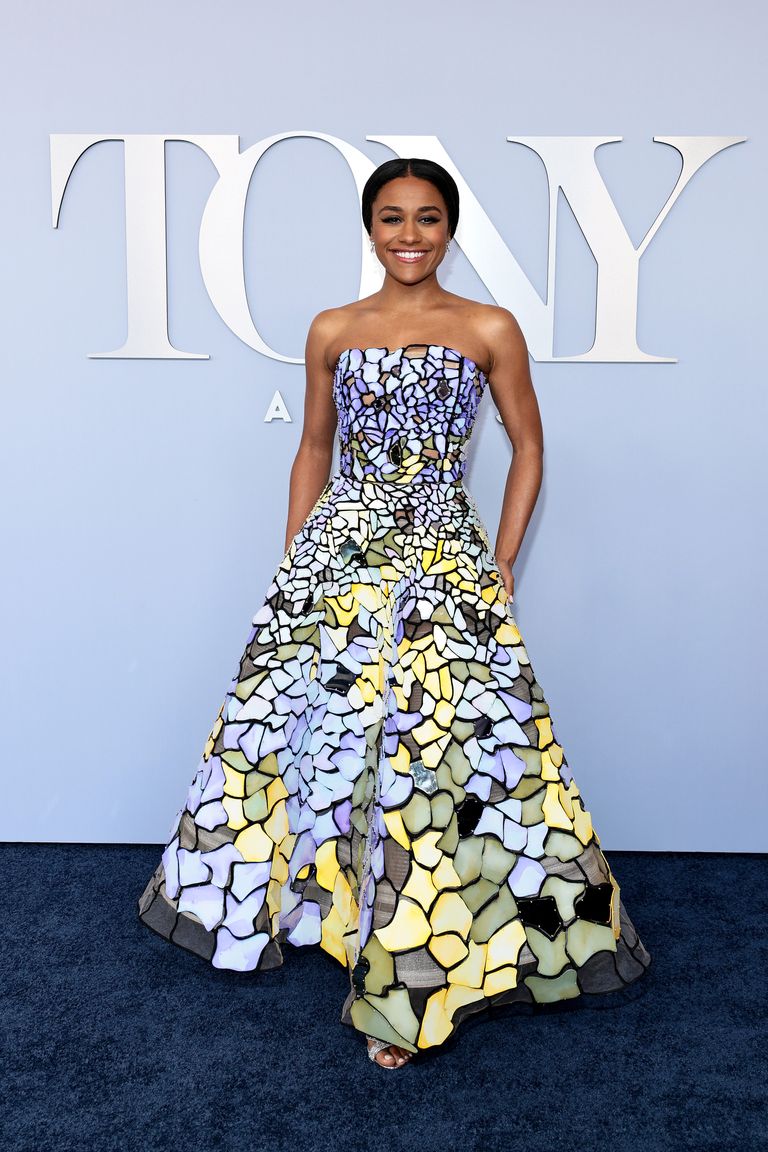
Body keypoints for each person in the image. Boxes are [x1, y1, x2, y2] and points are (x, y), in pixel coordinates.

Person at [138, 156, 651, 1071]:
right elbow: (312, 447)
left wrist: (498, 560)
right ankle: (327, 913)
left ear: (449, 229)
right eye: (390, 218)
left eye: (425, 218)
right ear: (368, 228)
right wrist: (297, 558)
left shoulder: (488, 327)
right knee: (314, 739)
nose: (408, 235)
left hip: (443, 561)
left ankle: (420, 978)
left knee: (441, 756)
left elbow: (530, 446)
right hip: (340, 557)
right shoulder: (333, 328)